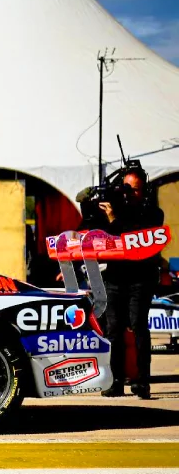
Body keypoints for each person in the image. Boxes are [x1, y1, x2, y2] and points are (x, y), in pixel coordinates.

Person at [84, 168, 164, 398]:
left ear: (144, 190)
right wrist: (92, 202)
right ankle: (115, 380)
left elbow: (130, 238)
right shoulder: (113, 209)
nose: (128, 194)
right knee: (113, 331)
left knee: (138, 327)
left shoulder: (152, 214)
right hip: (116, 277)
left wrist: (113, 219)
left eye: (134, 190)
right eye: (125, 188)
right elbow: (93, 230)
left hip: (141, 278)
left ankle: (142, 382)